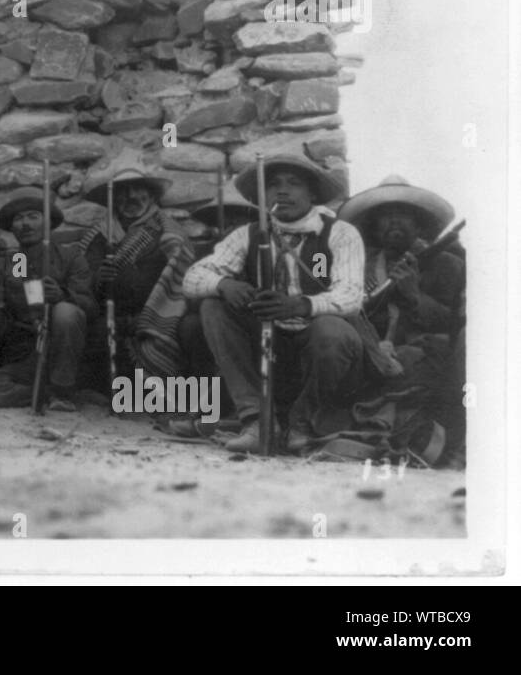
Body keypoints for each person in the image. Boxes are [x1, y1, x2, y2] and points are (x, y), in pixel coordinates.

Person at [183, 155, 372, 453]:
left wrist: (301, 306)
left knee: (331, 330)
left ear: (312, 194)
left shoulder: (340, 233)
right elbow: (193, 277)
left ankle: (302, 422)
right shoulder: (247, 234)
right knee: (213, 306)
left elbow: (350, 296)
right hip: (271, 350)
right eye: (273, 186)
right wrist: (224, 285)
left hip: (323, 353)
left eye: (294, 184)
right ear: (263, 196)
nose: (282, 192)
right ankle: (257, 420)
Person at [338, 175, 466, 462]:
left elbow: (455, 327)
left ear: (419, 225)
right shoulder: (360, 265)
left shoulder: (449, 265)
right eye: (386, 217)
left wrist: (414, 297)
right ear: (374, 226)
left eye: (403, 216)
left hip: (423, 365)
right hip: (369, 362)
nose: (394, 222)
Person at [0, 196, 91, 411]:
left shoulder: (69, 257)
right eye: (19, 219)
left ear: (47, 222)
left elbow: (90, 305)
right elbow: (2, 322)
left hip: (64, 352)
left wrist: (62, 295)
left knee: (66, 312)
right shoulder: (15, 262)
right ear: (12, 228)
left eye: (33, 217)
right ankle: (47, 393)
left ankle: (63, 391)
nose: (26, 224)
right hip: (27, 355)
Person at [76, 168, 196, 398]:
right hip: (110, 315)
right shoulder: (99, 235)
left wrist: (149, 309)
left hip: (158, 314)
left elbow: (181, 281)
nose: (131, 197)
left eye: (138, 189)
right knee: (94, 335)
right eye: (123, 191)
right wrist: (99, 278)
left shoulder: (169, 232)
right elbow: (82, 282)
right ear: (114, 199)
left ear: (151, 196)